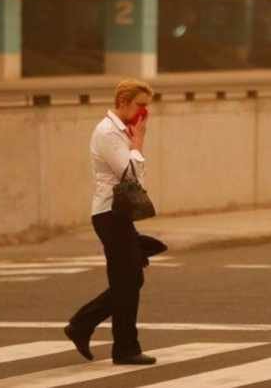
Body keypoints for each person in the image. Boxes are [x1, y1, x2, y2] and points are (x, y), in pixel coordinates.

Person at [64, 78, 156, 365]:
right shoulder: (108, 133)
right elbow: (130, 177)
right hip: (109, 214)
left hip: (117, 215)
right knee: (128, 280)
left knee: (129, 280)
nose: (145, 113)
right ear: (123, 102)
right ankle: (123, 347)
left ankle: (83, 326)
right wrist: (139, 143)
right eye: (141, 106)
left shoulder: (120, 131)